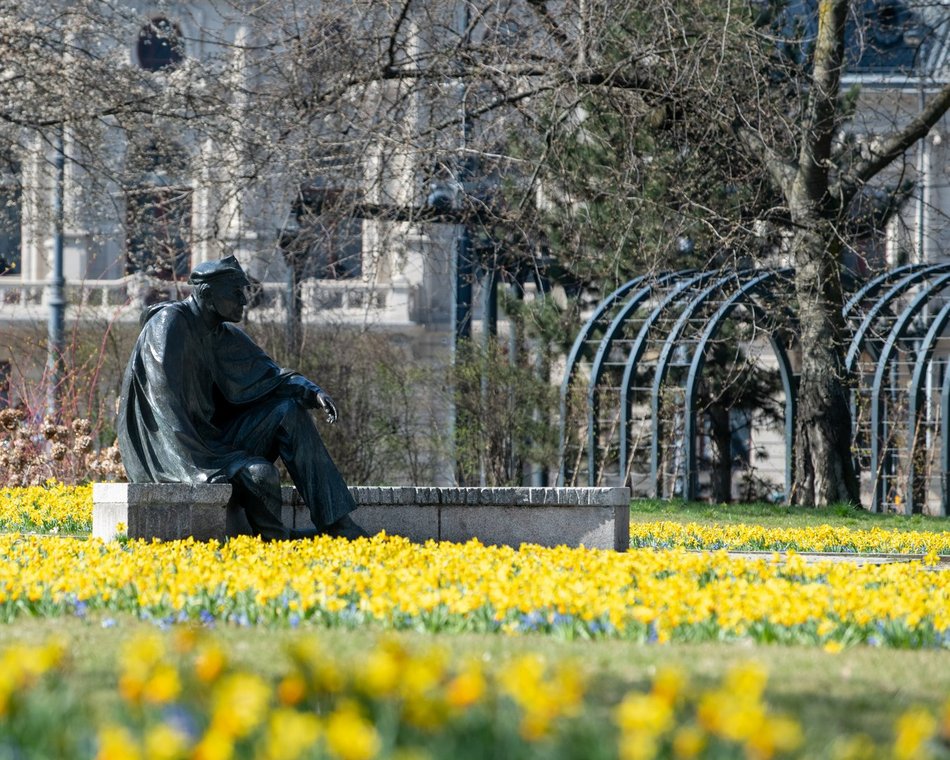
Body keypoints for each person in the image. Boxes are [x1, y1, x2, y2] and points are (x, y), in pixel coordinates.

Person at [116, 255, 368, 540]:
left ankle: (337, 524)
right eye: (236, 292)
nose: (245, 300)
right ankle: (276, 536)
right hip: (177, 451)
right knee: (261, 474)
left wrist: (312, 392)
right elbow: (163, 409)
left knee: (288, 411)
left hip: (214, 442)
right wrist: (197, 471)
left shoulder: (224, 335)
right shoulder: (169, 324)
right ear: (208, 295)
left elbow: (273, 376)